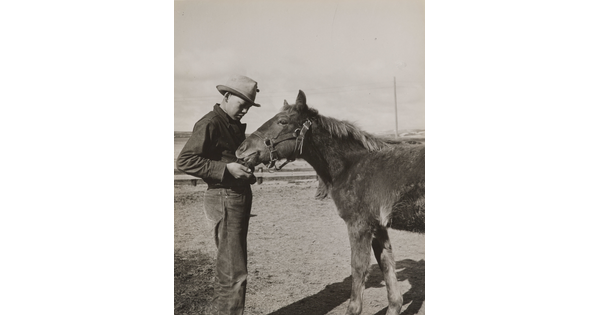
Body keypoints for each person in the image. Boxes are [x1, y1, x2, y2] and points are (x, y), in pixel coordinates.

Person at [176, 75, 260, 315]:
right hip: (224, 198)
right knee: (233, 271)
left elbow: (227, 157)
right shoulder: (211, 122)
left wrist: (244, 169)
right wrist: (226, 169)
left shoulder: (230, 123)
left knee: (232, 267)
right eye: (241, 103)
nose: (244, 110)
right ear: (225, 97)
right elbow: (185, 160)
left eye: (248, 106)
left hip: (235, 198)